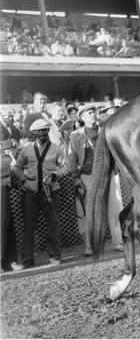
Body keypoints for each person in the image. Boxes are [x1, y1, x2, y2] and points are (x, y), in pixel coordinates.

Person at [13, 119, 69, 268]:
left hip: (51, 192)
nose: (43, 133)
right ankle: (27, 260)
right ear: (34, 133)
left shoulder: (57, 149)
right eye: (39, 131)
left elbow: (66, 167)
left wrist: (55, 175)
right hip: (31, 192)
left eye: (45, 130)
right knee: (29, 226)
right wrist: (23, 181)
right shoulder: (26, 149)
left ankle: (55, 256)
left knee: (53, 224)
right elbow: (17, 167)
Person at [68, 105, 123, 255]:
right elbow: (72, 157)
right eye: (89, 113)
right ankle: (90, 246)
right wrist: (75, 178)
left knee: (114, 207)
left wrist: (115, 167)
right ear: (82, 117)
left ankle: (118, 241)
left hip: (106, 173)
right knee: (90, 211)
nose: (93, 115)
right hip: (87, 176)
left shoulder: (106, 130)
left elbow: (115, 150)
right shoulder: (75, 135)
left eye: (94, 112)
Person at [1, 139, 21, 272]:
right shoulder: (6, 159)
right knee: (2, 225)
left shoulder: (8, 156)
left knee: (8, 226)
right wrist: (11, 157)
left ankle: (10, 261)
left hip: (5, 189)